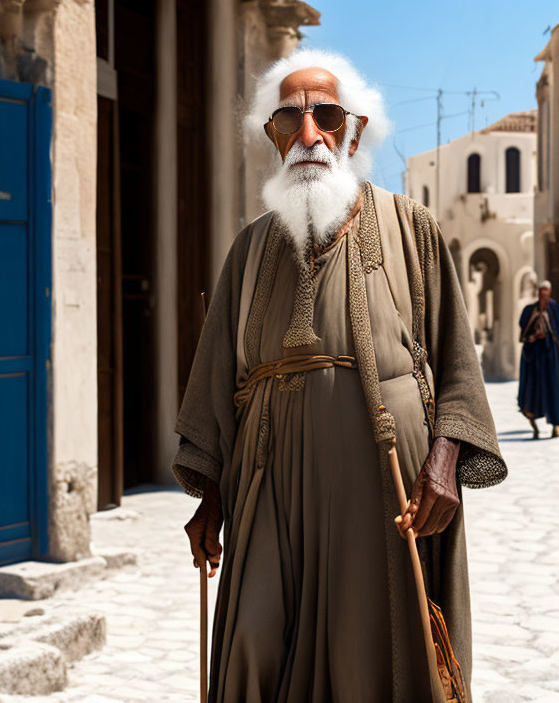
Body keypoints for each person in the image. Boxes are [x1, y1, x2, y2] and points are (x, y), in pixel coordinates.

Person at [173, 49, 506, 702]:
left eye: (324, 117)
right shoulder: (248, 248)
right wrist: (210, 496)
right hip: (268, 482)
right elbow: (216, 376)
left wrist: (445, 462)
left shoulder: (412, 227)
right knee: (252, 638)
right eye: (289, 121)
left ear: (351, 132)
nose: (308, 136)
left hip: (383, 483)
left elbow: (456, 361)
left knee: (368, 656)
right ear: (272, 137)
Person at [518, 280, 559, 438]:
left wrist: (547, 333)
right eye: (541, 292)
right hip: (534, 354)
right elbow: (524, 330)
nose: (543, 295)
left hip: (550, 355)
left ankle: (556, 425)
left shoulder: (554, 309)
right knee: (533, 389)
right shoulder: (530, 310)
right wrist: (533, 336)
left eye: (545, 292)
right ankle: (534, 425)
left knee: (553, 387)